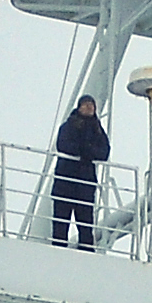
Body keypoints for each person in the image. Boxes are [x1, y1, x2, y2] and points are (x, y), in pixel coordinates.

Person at [51, 95, 112, 251]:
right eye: (86, 105)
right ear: (79, 107)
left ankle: (86, 250)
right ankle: (58, 249)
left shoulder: (97, 130)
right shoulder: (69, 126)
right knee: (61, 221)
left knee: (85, 223)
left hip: (85, 183)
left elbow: (104, 152)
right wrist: (85, 151)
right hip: (66, 180)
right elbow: (63, 145)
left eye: (91, 105)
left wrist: (86, 152)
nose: (89, 107)